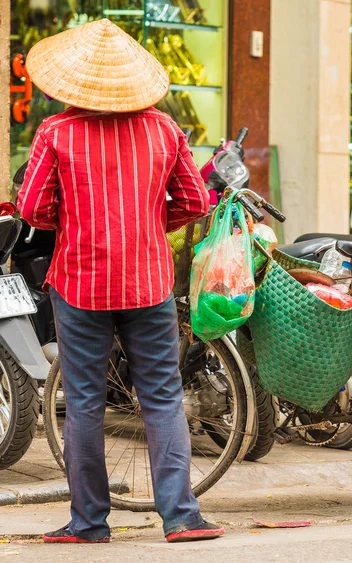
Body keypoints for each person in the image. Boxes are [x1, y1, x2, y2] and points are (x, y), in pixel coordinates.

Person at [17, 19, 224, 544]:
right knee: (161, 393)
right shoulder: (163, 129)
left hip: (80, 281)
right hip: (148, 281)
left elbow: (33, 208)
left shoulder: (57, 133)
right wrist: (152, 225)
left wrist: (79, 220)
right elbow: (197, 201)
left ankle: (89, 523)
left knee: (84, 400)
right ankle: (181, 516)